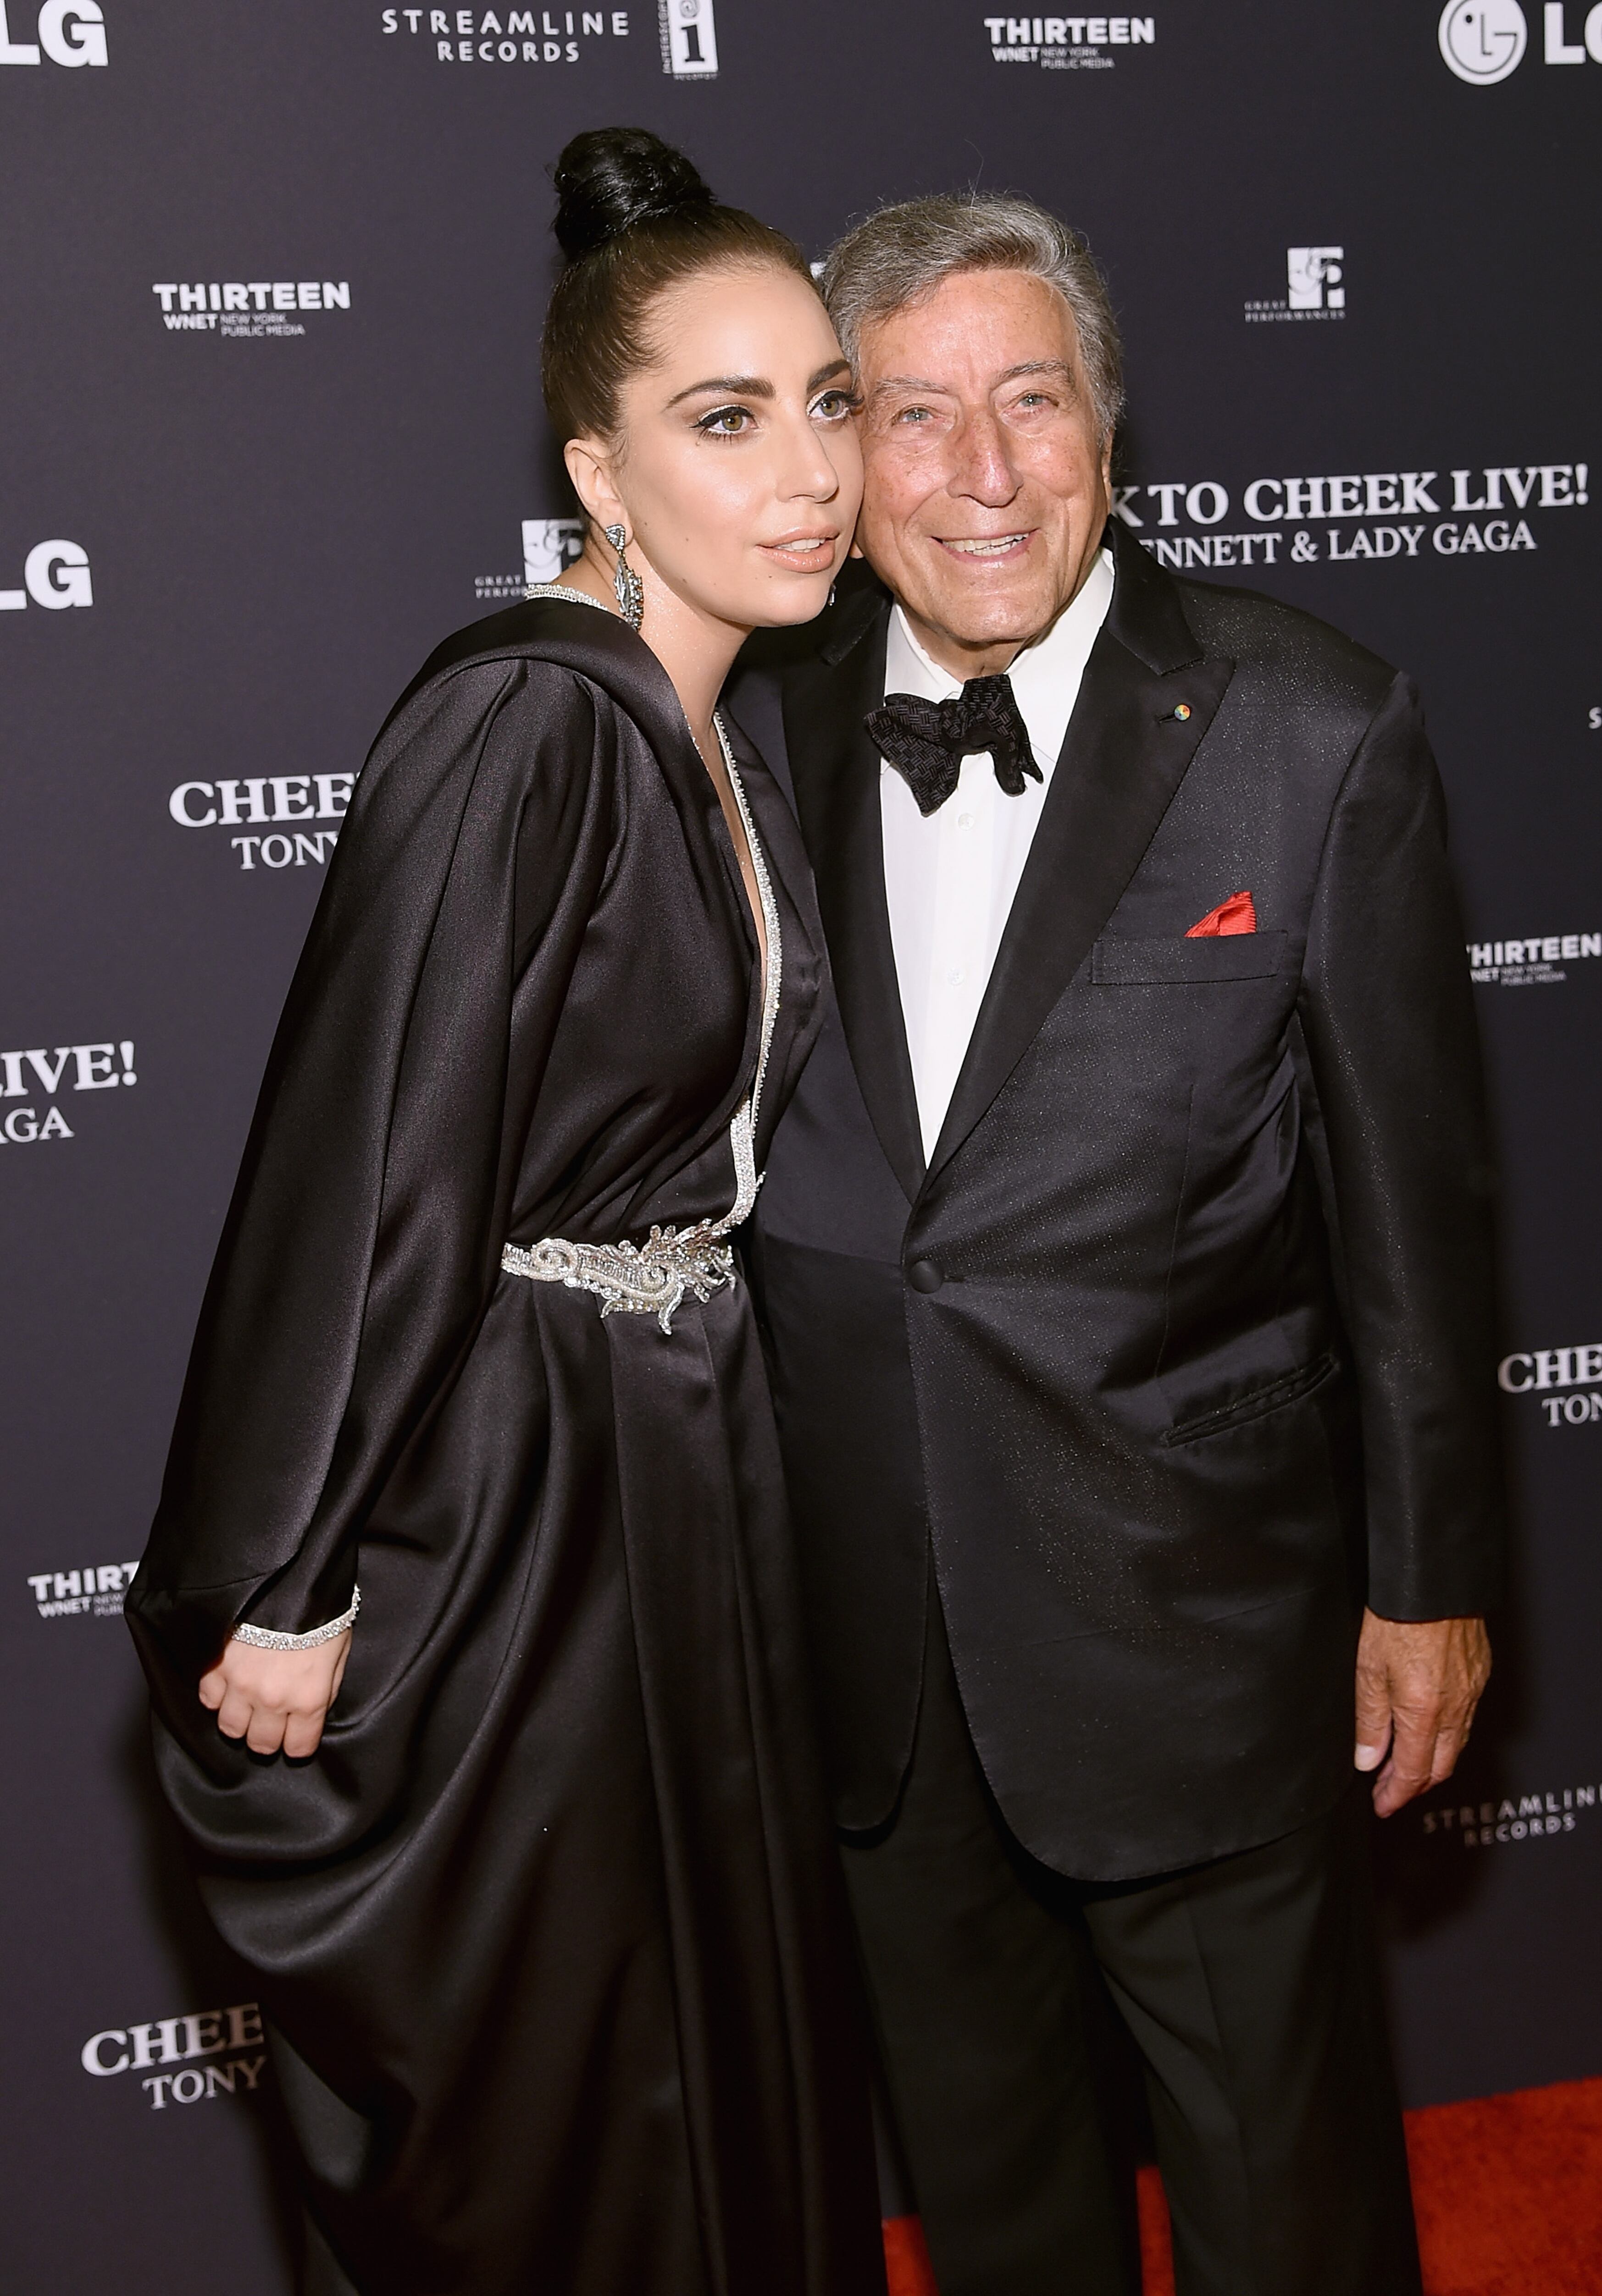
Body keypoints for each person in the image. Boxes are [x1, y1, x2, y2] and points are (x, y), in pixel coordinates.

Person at [126, 127, 884, 2296]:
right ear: (597, 469)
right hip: (519, 1496)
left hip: (677, 1463)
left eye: (825, 399)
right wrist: (286, 1561)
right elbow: (369, 1151)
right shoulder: (525, 724)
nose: (807, 469)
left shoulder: (720, 730)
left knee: (710, 2048)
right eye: (723, 420)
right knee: (569, 2108)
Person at [728, 190, 1504, 2296]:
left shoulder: (1311, 726)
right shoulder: (736, 722)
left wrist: (1428, 1582)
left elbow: (1416, 1218)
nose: (984, 473)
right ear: (838, 453)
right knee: (991, 2199)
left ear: (1108, 423)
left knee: (1289, 2200)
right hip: (879, 1643)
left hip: (1200, 1628)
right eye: (914, 413)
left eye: (1032, 401)